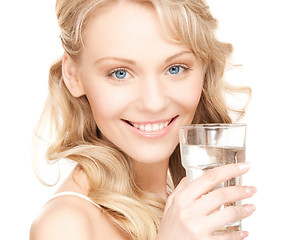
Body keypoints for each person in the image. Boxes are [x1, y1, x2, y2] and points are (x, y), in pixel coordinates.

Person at [30, 0, 256, 239]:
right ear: (73, 75)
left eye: (175, 68)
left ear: (204, 69)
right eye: (120, 73)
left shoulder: (183, 204)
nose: (153, 103)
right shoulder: (65, 226)